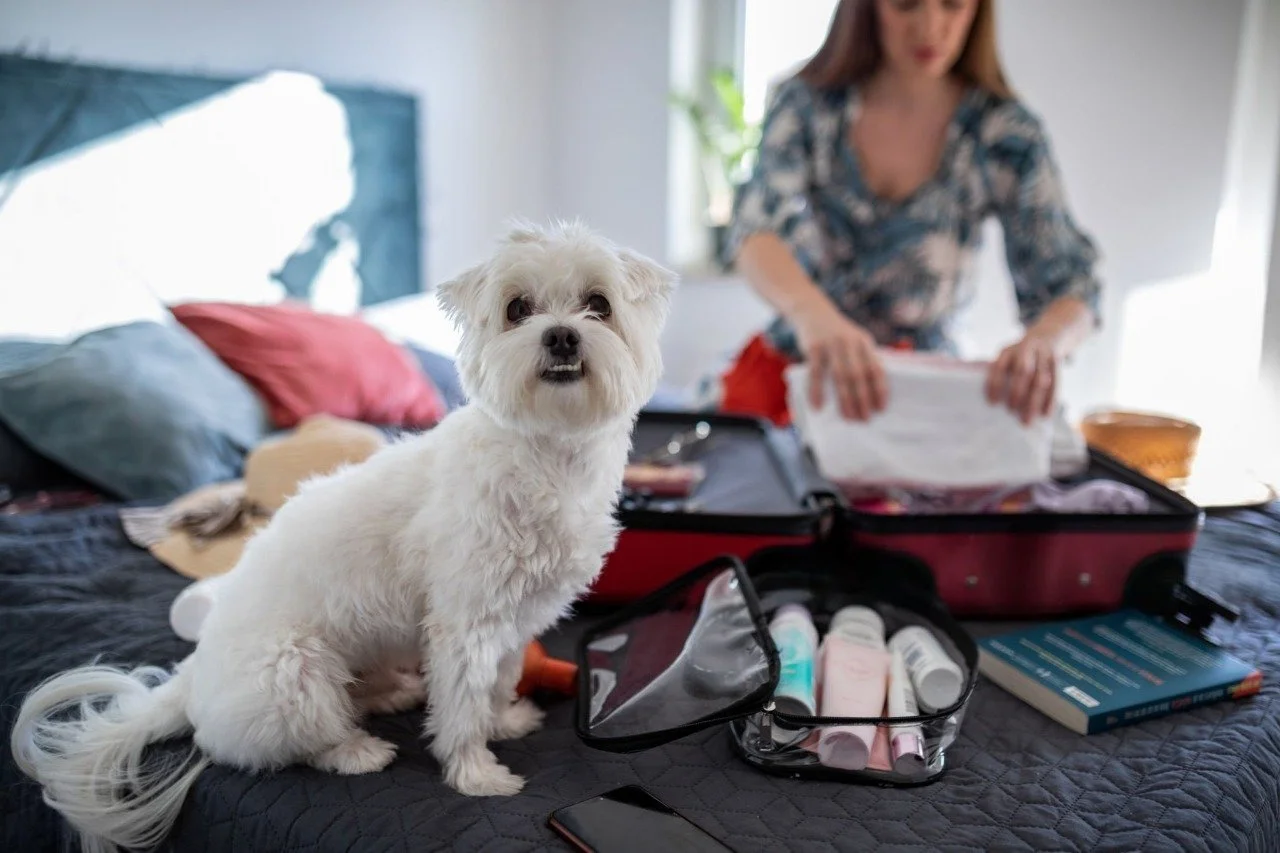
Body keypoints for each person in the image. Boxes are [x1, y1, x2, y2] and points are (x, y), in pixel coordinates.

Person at [718, 0, 1101, 428]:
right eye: (906, 5)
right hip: (799, 381)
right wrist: (813, 315)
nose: (930, 27)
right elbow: (755, 231)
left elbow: (1074, 287)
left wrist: (1045, 344)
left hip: (925, 400)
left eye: (952, 5)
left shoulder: (1004, 131)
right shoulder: (808, 104)